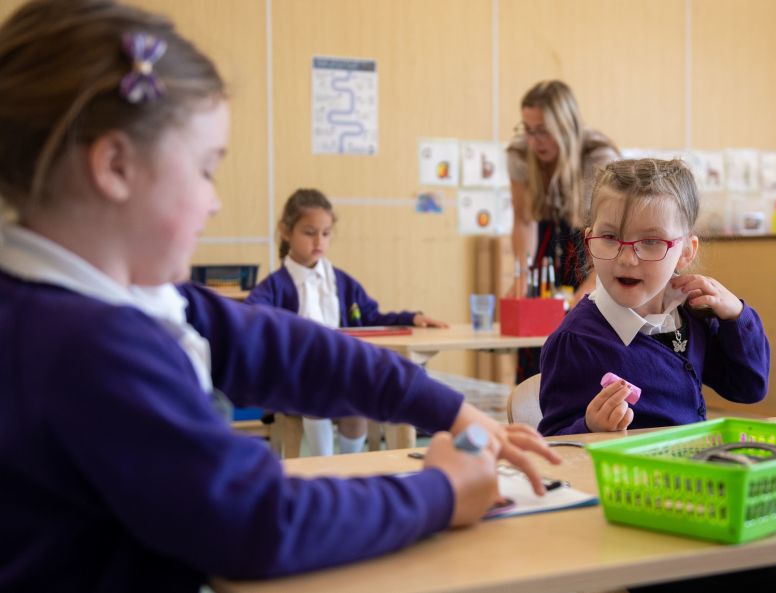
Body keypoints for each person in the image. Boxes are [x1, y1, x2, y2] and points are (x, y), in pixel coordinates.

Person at [0, 1, 559, 591]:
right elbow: (257, 521)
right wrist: (439, 492)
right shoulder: (86, 345)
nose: (214, 201)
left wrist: (446, 408)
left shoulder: (119, 298)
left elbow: (283, 348)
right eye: (206, 169)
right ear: (115, 165)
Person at [537, 158, 776, 592]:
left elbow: (749, 388)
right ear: (589, 240)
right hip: (639, 524)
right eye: (611, 238)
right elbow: (557, 446)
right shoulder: (578, 341)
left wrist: (735, 316)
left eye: (651, 242)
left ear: (686, 251)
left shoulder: (691, 314)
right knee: (769, 559)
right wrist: (591, 426)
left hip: (699, 494)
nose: (627, 257)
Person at [246, 188, 448, 456]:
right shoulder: (274, 286)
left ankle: (350, 464)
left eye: (326, 233)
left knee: (358, 396)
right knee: (316, 394)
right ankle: (323, 463)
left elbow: (372, 318)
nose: (319, 240)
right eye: (309, 232)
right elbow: (251, 317)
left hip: (341, 369)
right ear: (285, 231)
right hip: (295, 378)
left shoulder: (343, 283)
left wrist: (410, 318)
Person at [506, 80, 619, 383]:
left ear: (566, 125)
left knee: (581, 335)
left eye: (543, 130)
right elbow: (523, 220)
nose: (534, 141)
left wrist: (593, 284)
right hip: (546, 244)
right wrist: (523, 273)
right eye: (527, 129)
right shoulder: (519, 154)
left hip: (590, 245)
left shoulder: (598, 154)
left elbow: (608, 231)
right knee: (536, 341)